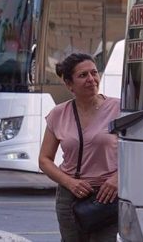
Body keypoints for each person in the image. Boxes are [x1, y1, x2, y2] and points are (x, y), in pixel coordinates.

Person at [39, 53, 120, 242]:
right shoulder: (59, 114)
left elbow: (136, 152)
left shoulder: (118, 108)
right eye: (83, 75)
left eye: (94, 73)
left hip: (108, 196)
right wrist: (70, 183)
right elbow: (44, 160)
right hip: (71, 198)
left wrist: (118, 178)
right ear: (69, 84)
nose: (91, 79)